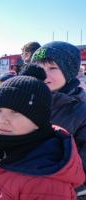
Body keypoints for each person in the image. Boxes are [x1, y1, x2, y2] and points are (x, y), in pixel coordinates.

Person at [0, 75, 85, 200]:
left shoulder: (45, 181)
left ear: (39, 119)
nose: (2, 120)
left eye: (15, 112)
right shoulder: (2, 150)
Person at [31, 41, 86, 198]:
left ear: (69, 71)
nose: (44, 74)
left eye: (52, 68)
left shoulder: (81, 111)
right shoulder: (27, 102)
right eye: (39, 68)